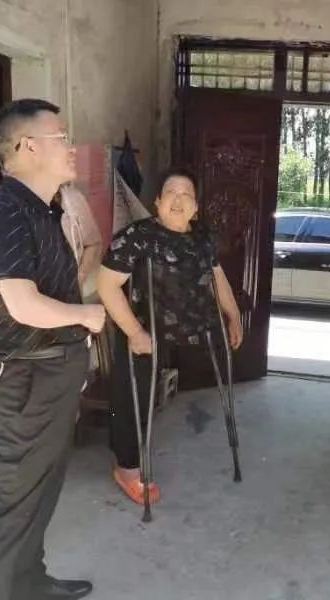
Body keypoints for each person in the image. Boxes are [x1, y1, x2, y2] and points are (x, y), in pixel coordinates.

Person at [0, 99, 105, 600]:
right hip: (27, 378)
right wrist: (84, 316)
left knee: (43, 489)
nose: (71, 147)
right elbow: (22, 304)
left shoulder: (44, 209)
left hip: (54, 372)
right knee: (14, 504)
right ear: (27, 147)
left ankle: (28, 583)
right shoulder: (2, 211)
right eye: (61, 138)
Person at [97, 167, 243, 504]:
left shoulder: (203, 238)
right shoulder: (136, 236)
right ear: (158, 202)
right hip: (144, 324)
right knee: (133, 390)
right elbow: (106, 285)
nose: (178, 200)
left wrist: (233, 314)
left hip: (193, 322)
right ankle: (127, 467)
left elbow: (217, 276)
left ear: (196, 207)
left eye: (186, 195)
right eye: (171, 193)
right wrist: (134, 332)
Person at [58, 183, 102, 290]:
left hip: (69, 291)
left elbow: (93, 243)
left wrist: (80, 276)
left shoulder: (71, 198)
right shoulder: (19, 206)